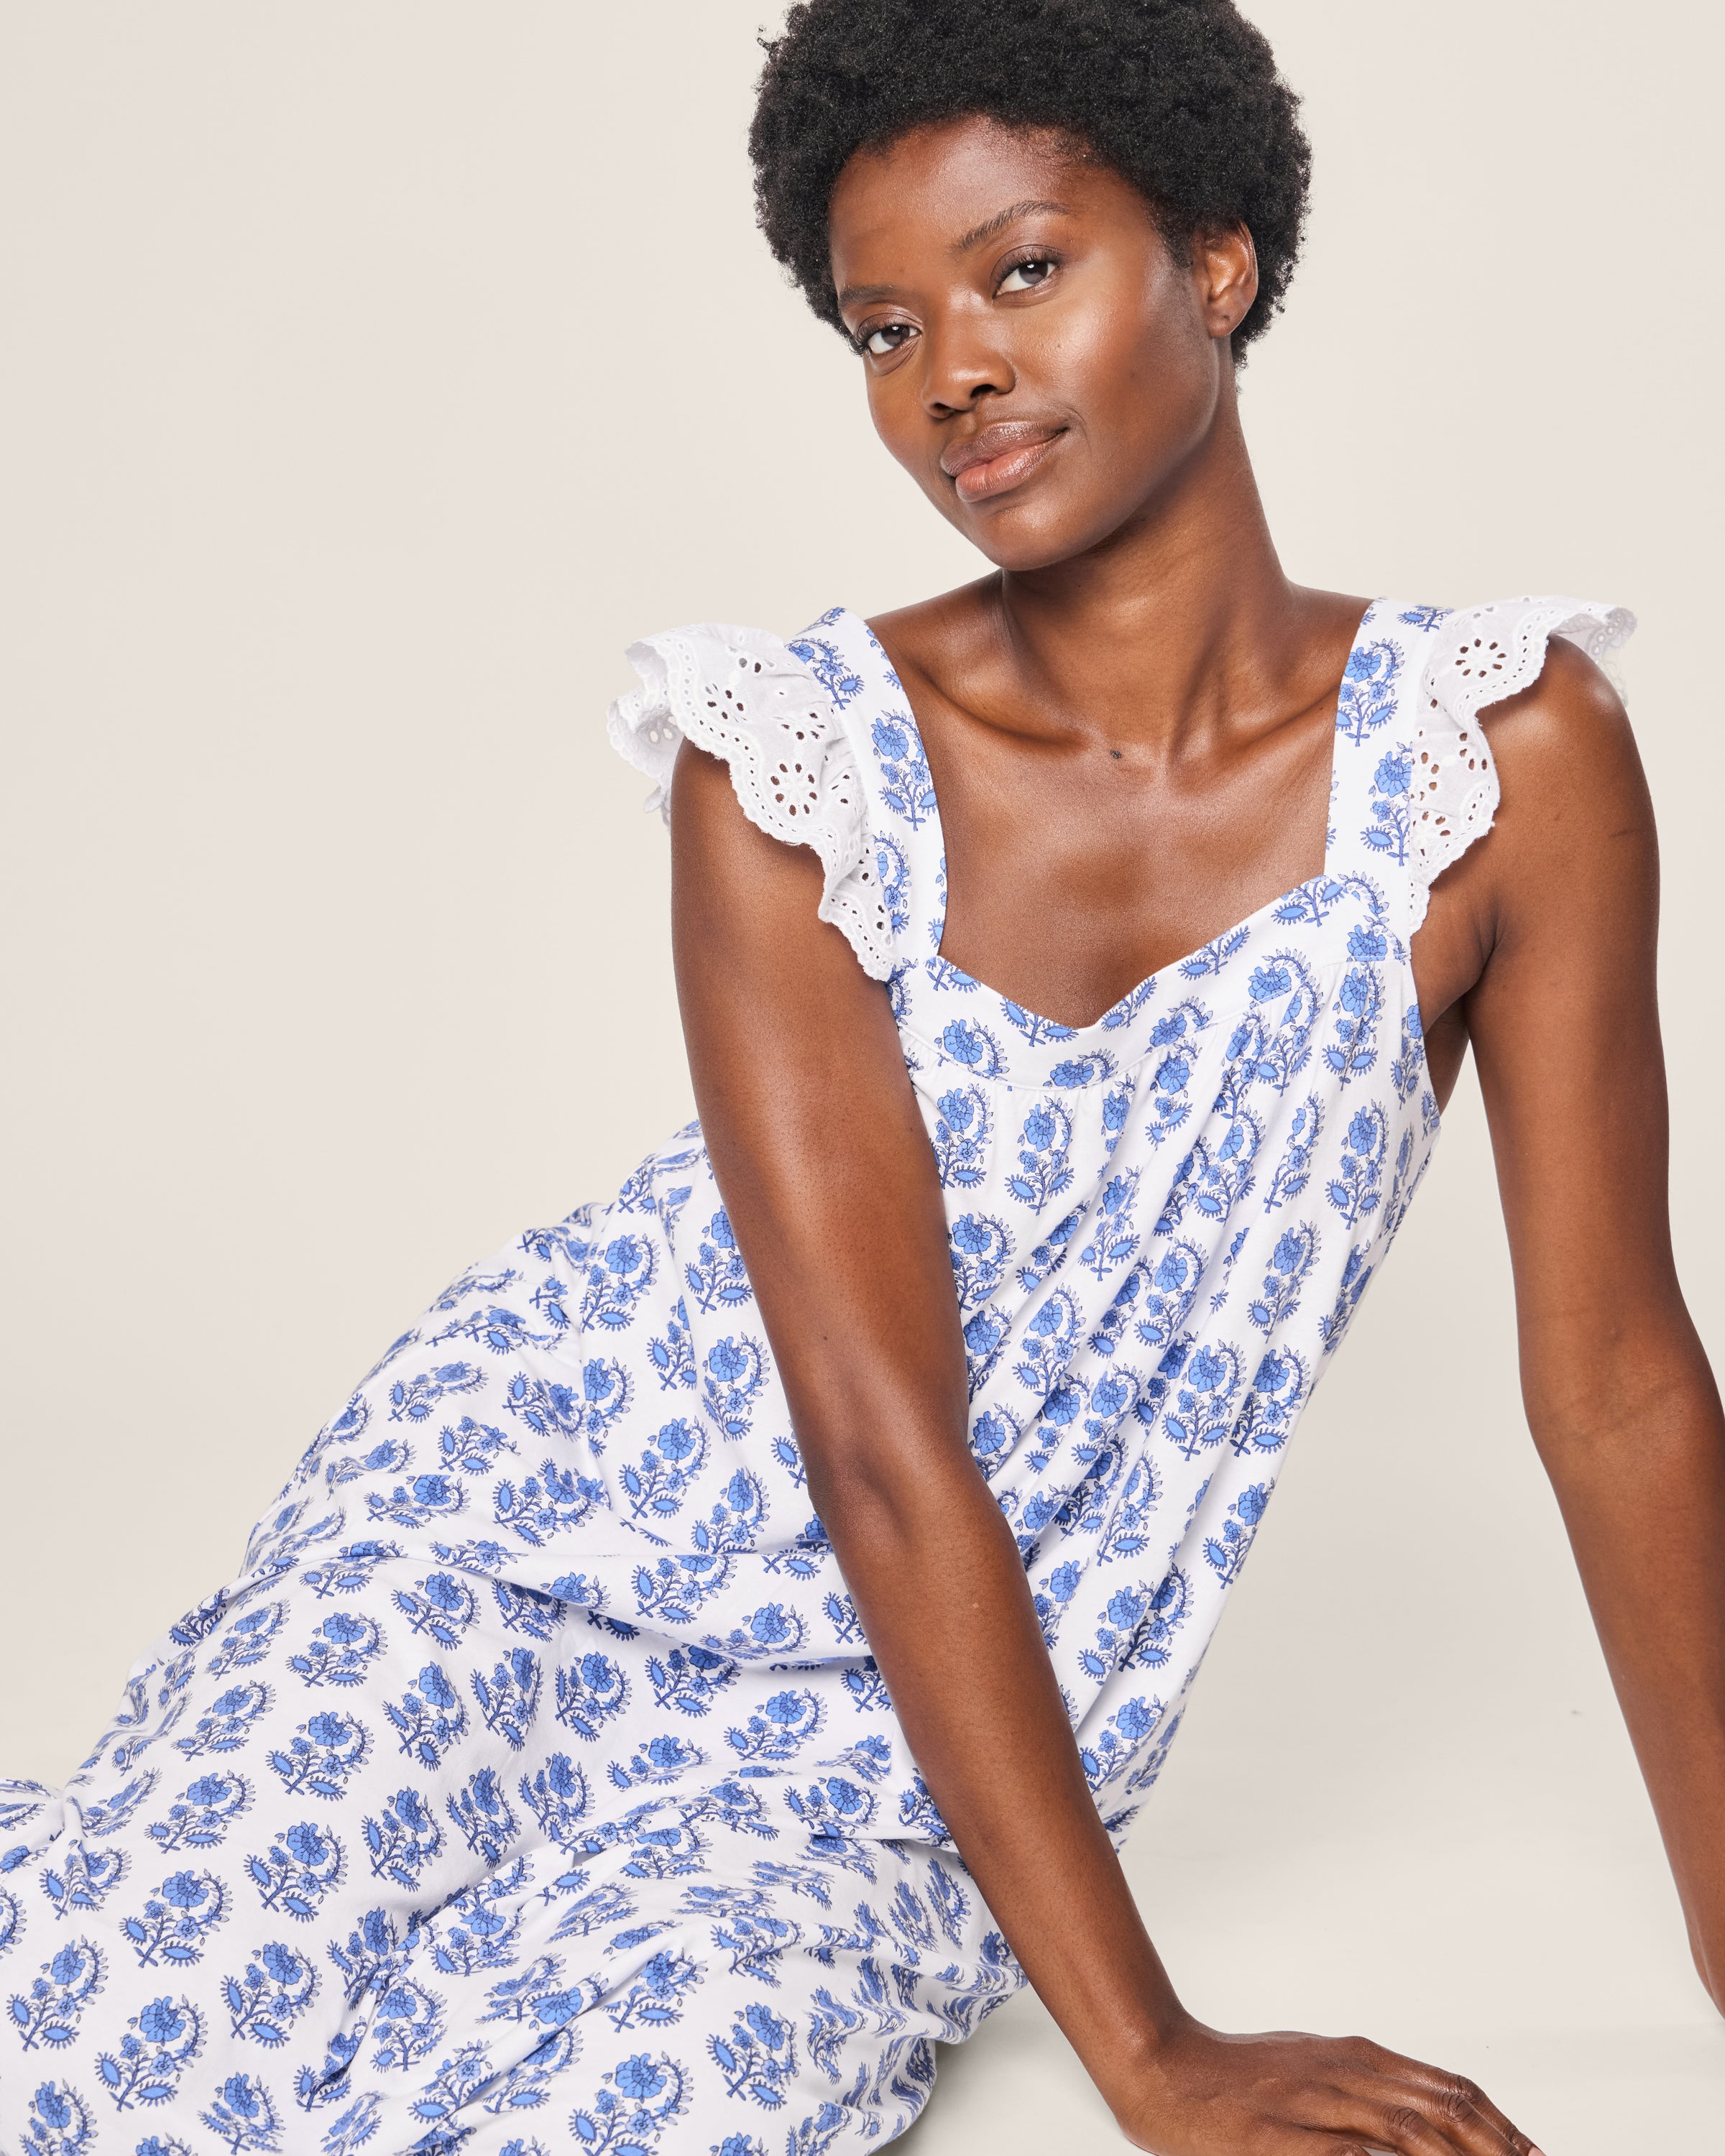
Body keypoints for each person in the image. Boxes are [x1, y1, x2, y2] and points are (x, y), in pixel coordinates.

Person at [4, 1, 1719, 2151]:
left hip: (892, 1753)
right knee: (107, 2017)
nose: (951, 377)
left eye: (1021, 272)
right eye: (882, 328)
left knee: (639, 2110)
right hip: (518, 1539)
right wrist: (1156, 2059)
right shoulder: (793, 764)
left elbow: (1620, 1389)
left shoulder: (1503, 758)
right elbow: (876, 1424)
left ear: (1216, 260)